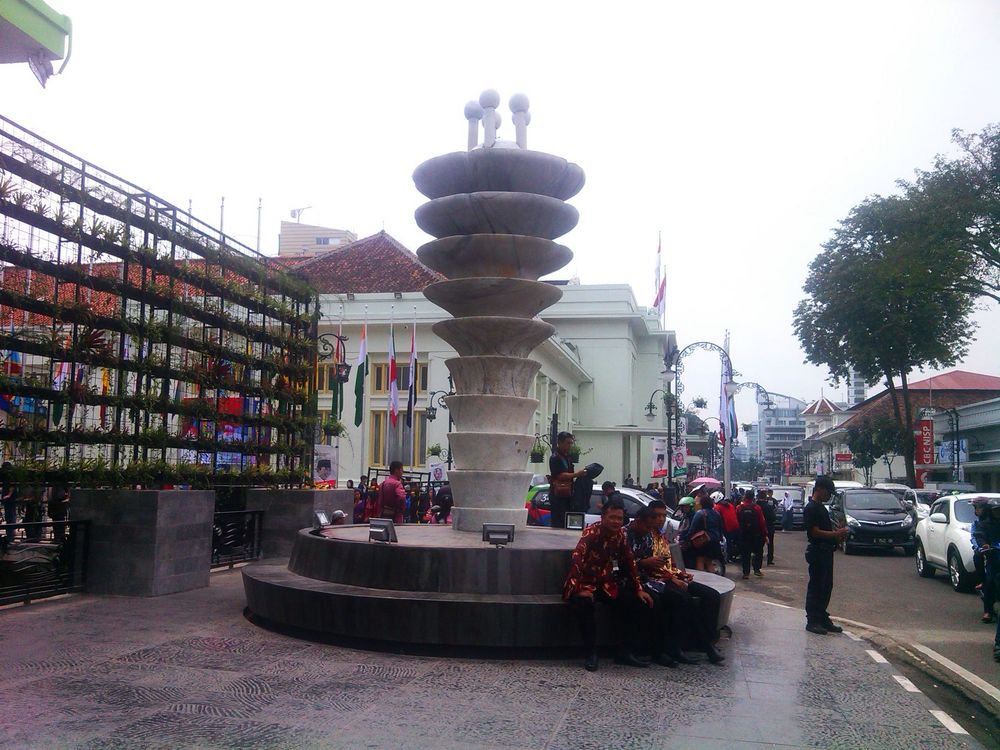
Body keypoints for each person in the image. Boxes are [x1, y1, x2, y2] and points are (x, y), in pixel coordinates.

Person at [563, 496, 654, 671]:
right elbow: (577, 558)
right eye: (612, 518)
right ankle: (591, 653)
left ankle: (625, 652)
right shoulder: (592, 532)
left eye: (619, 519)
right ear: (603, 517)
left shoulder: (620, 536)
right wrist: (576, 588)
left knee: (635, 602)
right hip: (584, 584)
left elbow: (629, 561)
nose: (616, 522)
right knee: (584, 605)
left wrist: (639, 589)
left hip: (605, 584)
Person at [628, 504, 725, 665]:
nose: (660, 519)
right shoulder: (644, 534)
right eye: (657, 516)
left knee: (712, 596)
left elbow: (668, 563)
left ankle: (706, 643)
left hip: (672, 576)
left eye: (663, 516)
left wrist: (681, 574)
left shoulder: (661, 536)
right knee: (683, 599)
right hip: (658, 580)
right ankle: (693, 647)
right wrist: (672, 578)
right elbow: (648, 566)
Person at [804, 476, 849, 634]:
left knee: (826, 586)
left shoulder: (822, 508)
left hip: (826, 551)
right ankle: (813, 620)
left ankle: (822, 617)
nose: (829, 496)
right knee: (816, 586)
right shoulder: (811, 508)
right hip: (817, 551)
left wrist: (838, 534)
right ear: (820, 489)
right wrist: (835, 534)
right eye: (828, 492)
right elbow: (814, 531)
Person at [549, 432, 586, 529]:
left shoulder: (567, 457)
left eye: (571, 443)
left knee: (566, 522)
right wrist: (577, 474)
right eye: (568, 443)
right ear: (560, 443)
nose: (570, 445)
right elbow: (560, 475)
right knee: (559, 523)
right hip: (558, 496)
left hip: (567, 495)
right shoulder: (555, 458)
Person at [971, 497, 995, 624]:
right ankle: (988, 611)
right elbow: (978, 536)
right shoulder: (981, 524)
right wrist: (984, 545)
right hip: (993, 556)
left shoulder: (995, 522)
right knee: (989, 582)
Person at [689, 494, 724, 572]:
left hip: (703, 540)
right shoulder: (716, 513)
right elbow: (720, 527)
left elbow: (692, 528)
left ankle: (702, 583)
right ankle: (711, 582)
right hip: (714, 541)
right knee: (709, 562)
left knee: (700, 561)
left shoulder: (699, 513)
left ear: (702, 503)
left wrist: (688, 537)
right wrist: (720, 538)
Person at [737, 490, 767, 579]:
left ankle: (746, 573)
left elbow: (737, 520)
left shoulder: (739, 507)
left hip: (744, 534)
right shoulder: (757, 508)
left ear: (745, 497)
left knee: (745, 554)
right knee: (758, 552)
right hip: (756, 534)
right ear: (753, 497)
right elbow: (762, 522)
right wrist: (764, 534)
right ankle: (757, 570)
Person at [714, 492, 739, 563]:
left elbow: (716, 518)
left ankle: (727, 557)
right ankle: (730, 557)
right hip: (735, 527)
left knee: (725, 543)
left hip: (727, 528)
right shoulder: (730, 505)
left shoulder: (717, 507)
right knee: (730, 542)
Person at [675, 496, 697, 569]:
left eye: (685, 507)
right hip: (682, 541)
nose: (683, 508)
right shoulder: (685, 516)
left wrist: (685, 539)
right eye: (682, 507)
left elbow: (691, 530)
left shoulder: (693, 517)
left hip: (689, 543)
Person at [759, 490, 777, 565]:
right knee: (770, 544)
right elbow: (773, 517)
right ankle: (769, 560)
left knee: (759, 545)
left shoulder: (756, 506)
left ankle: (758, 561)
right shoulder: (768, 507)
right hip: (769, 527)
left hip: (759, 528)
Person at [1, 461, 18, 544]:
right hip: (8, 499)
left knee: (10, 517)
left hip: (9, 499)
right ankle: (10, 535)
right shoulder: (8, 476)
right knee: (10, 517)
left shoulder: (9, 476)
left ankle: (10, 537)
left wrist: (9, 495)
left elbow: (12, 485)